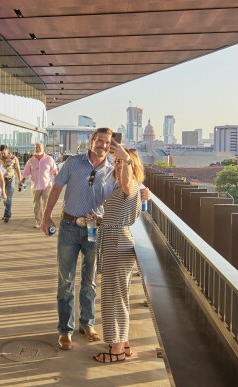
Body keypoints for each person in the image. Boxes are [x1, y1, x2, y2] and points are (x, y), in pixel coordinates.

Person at [41, 128, 116, 350]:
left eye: (107, 142)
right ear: (92, 141)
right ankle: (65, 330)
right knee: (65, 281)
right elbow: (55, 189)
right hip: (69, 226)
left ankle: (87, 324)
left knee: (90, 280)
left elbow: (126, 191)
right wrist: (46, 217)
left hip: (93, 228)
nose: (103, 145)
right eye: (99, 140)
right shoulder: (73, 163)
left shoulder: (113, 169)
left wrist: (144, 192)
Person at [95, 145, 144, 363]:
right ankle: (123, 343)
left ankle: (116, 350)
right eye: (116, 162)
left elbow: (125, 180)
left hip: (117, 243)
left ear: (132, 166)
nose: (117, 165)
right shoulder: (124, 188)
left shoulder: (129, 185)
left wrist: (126, 161)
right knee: (118, 295)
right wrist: (98, 220)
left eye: (121, 162)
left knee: (112, 297)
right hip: (115, 239)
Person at [22, 142, 58, 228]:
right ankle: (39, 222)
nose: (37, 149)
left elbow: (55, 171)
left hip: (46, 186)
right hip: (35, 187)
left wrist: (58, 181)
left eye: (39, 147)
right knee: (36, 205)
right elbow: (26, 173)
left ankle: (47, 221)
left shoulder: (49, 159)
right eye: (36, 147)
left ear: (43, 148)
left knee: (47, 205)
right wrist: (22, 182)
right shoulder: (31, 160)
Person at [0, 144, 22, 223]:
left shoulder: (14, 158)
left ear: (7, 150)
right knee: (4, 198)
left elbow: (18, 169)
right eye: (1, 153)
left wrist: (20, 181)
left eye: (4, 153)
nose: (2, 154)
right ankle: (7, 212)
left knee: (9, 198)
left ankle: (7, 215)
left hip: (11, 180)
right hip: (2, 180)